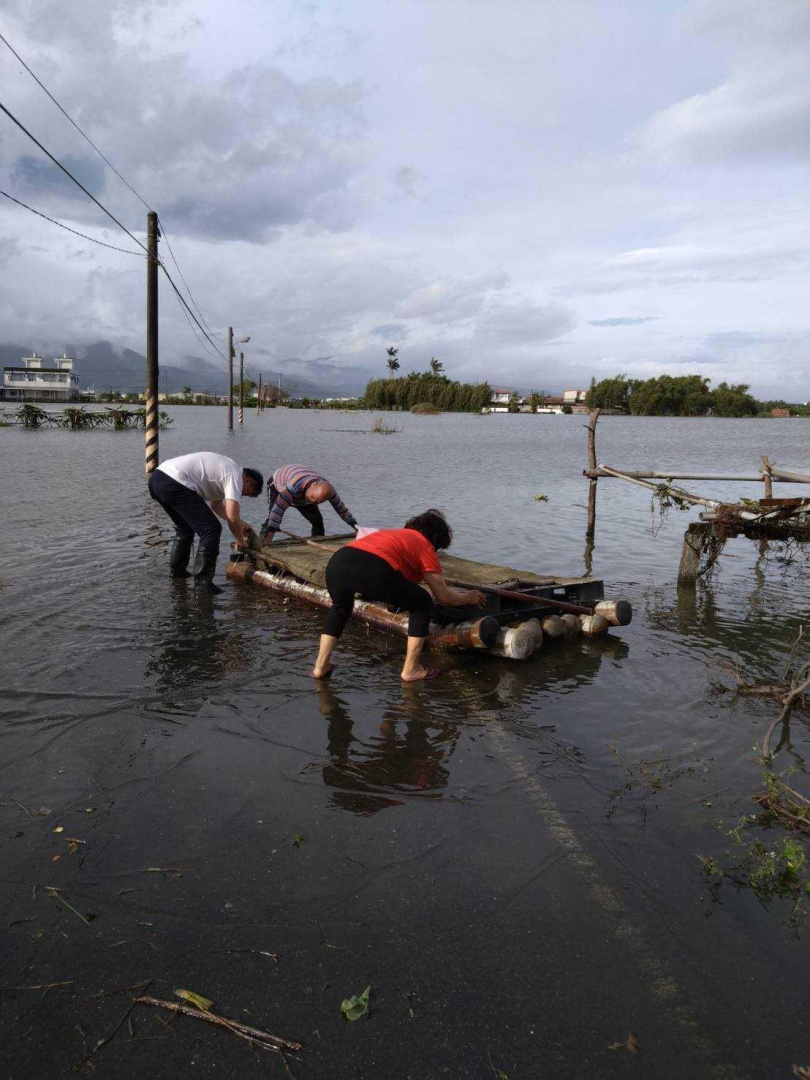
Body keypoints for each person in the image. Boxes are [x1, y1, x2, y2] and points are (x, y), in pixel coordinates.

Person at [311, 509, 486, 682]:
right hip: (372, 567)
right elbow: (443, 597)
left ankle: (321, 666)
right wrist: (469, 597)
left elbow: (400, 580)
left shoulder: (394, 535)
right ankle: (411, 669)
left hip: (338, 562)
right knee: (422, 602)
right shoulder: (424, 544)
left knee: (340, 609)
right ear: (436, 540)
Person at [148, 451, 263, 594]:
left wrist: (241, 523)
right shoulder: (235, 475)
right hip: (175, 481)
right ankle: (203, 582)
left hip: (157, 480)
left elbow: (217, 507)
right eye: (245, 493)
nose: (240, 495)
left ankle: (178, 574)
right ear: (248, 480)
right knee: (211, 529)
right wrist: (241, 541)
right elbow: (232, 516)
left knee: (185, 528)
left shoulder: (226, 471)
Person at [260, 464, 358, 542]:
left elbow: (341, 509)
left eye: (319, 502)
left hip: (303, 492)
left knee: (317, 520)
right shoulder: (293, 487)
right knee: (272, 519)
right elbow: (278, 511)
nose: (314, 502)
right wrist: (271, 534)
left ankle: (317, 542)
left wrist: (356, 527)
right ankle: (262, 543)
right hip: (278, 484)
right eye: (313, 499)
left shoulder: (328, 490)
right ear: (313, 485)